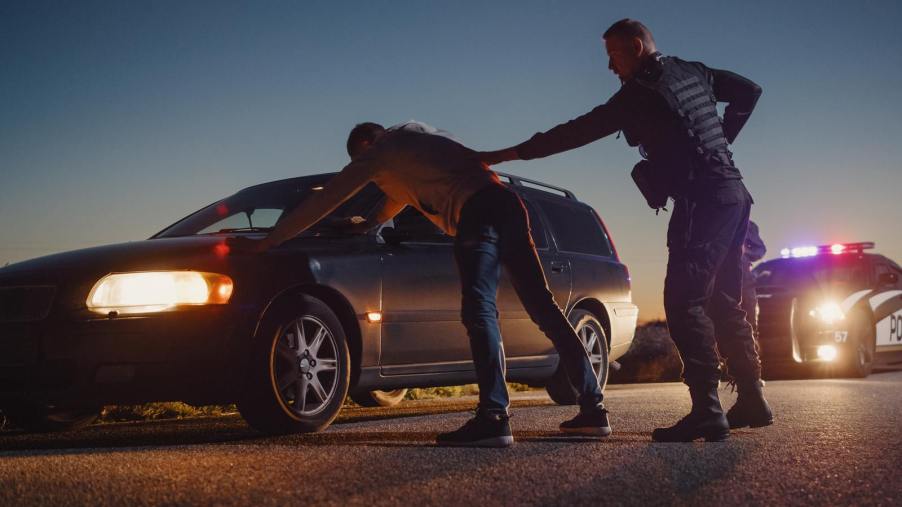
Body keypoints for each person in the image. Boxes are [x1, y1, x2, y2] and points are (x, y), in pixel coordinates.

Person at [477, 19, 773, 441]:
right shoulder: (694, 71)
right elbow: (750, 92)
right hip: (734, 195)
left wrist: (502, 154)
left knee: (684, 303)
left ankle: (708, 409)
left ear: (635, 46)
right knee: (725, 301)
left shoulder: (637, 95)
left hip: (702, 201)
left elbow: (573, 133)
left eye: (614, 56)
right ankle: (752, 399)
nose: (611, 68)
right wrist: (720, 142)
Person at [242, 120, 609, 447]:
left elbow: (326, 200)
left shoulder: (380, 152)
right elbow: (391, 203)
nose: (365, 171)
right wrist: (365, 225)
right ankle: (594, 408)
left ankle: (494, 418)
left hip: (478, 214)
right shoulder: (419, 140)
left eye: (360, 162)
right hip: (508, 204)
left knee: (480, 309)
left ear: (366, 147)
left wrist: (271, 241)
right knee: (543, 307)